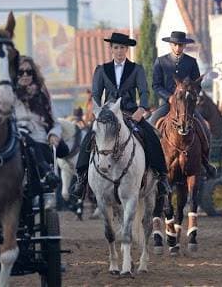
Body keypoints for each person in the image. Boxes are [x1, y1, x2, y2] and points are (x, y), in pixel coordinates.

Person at [72, 32, 170, 199]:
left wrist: (142, 109)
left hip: (131, 112)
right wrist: (98, 111)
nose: (119, 51)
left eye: (122, 48)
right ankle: (81, 178)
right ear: (111, 49)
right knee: (89, 137)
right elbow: (96, 94)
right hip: (108, 113)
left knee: (151, 136)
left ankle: (161, 178)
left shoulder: (137, 69)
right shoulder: (101, 70)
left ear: (127, 49)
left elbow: (144, 92)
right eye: (116, 47)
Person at [149, 31, 216, 176]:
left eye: (181, 45)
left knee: (203, 126)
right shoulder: (161, 62)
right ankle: (149, 162)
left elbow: (198, 84)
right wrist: (169, 97)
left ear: (184, 46)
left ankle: (205, 162)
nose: (178, 47)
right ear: (171, 45)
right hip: (168, 103)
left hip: (187, 105)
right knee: (151, 123)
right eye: (175, 45)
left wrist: (191, 95)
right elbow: (156, 85)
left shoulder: (191, 62)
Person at [15, 56, 66, 189]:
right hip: (15, 142)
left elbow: (56, 123)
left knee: (30, 145)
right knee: (24, 141)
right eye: (20, 72)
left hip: (41, 140)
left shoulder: (43, 95)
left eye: (29, 72)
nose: (25, 75)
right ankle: (46, 171)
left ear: (34, 74)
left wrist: (54, 135)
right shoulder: (9, 97)